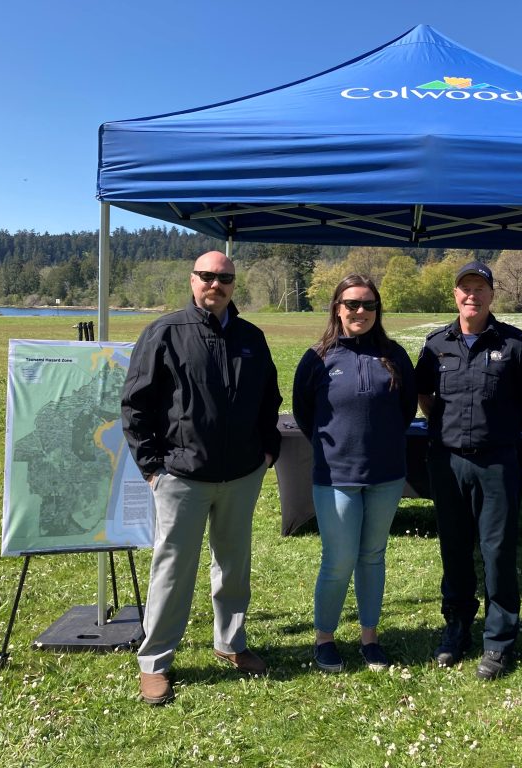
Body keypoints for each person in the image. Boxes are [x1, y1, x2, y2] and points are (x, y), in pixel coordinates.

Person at [121, 250, 282, 705]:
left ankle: (230, 644)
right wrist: (153, 468)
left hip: (241, 474)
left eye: (225, 278)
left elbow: (269, 398)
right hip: (182, 477)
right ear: (192, 280)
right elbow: (135, 404)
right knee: (173, 569)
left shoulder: (252, 336)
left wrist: (267, 450)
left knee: (233, 565)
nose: (216, 284)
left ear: (234, 284)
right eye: (207, 276)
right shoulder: (165, 332)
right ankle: (155, 662)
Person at [414, 261, 522, 680]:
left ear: (492, 295)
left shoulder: (515, 345)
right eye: (464, 289)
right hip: (448, 461)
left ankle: (499, 640)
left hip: (496, 462)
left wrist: (503, 432)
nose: (472, 295)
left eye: (480, 289)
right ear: (455, 295)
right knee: (454, 548)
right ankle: (456, 627)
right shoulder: (436, 346)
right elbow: (426, 399)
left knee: (497, 551)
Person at [292, 275, 417, 673]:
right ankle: (325, 638)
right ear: (337, 307)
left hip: (386, 474)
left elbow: (407, 409)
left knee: (373, 556)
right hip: (336, 476)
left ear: (377, 310)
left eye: (367, 304)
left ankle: (369, 637)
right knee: (339, 559)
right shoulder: (317, 358)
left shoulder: (395, 355)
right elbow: (303, 414)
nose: (359, 311)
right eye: (351, 304)